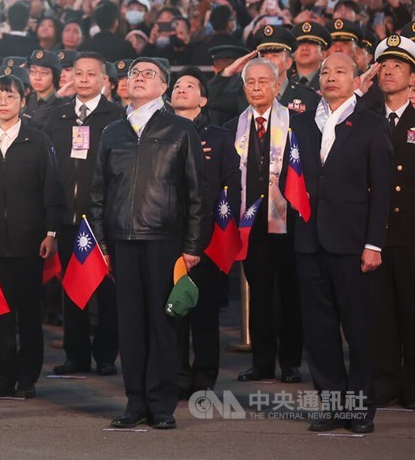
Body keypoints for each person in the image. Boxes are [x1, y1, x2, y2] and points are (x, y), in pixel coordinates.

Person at [89, 57, 208, 430]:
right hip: (121, 241)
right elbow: (98, 193)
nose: (139, 79)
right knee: (130, 326)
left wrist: (191, 246)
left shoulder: (179, 128)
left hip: (164, 241)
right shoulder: (112, 132)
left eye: (148, 75)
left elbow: (195, 193)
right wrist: (103, 244)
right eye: (133, 74)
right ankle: (135, 402)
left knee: (162, 324)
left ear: (163, 87)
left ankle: (161, 405)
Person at [285, 52, 392, 434]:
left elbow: (381, 191)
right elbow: (289, 174)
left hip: (352, 242)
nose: (331, 77)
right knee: (319, 331)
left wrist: (374, 243)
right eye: (326, 72)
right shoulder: (301, 124)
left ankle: (360, 408)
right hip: (309, 240)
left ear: (356, 80)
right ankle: (331, 405)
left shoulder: (371, 124)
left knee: (360, 329)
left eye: (340, 72)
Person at [0, 74, 65, 399]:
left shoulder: (37, 141)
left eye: (9, 97)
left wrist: (51, 231)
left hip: (29, 243)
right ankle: (3, 375)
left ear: (22, 101)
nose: (3, 103)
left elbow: (51, 188)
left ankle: (27, 377)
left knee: (28, 314)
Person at [43, 51, 123, 377]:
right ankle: (75, 355)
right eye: (79, 74)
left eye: (92, 74)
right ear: (71, 78)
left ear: (104, 79)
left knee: (106, 291)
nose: (85, 80)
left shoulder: (117, 117)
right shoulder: (56, 118)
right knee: (71, 288)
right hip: (66, 219)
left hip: (102, 220)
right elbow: (48, 171)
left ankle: (106, 355)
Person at [225, 57, 303, 384]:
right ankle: (261, 362)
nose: (256, 88)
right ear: (244, 88)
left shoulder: (297, 123)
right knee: (258, 294)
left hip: (289, 222)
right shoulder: (233, 127)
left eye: (263, 82)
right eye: (250, 82)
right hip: (249, 223)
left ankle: (290, 362)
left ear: (275, 86)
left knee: (289, 293)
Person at [170, 66, 241, 397]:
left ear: (203, 98)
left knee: (203, 312)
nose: (181, 89)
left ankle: (204, 376)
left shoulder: (219, 136)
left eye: (189, 85)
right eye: (177, 85)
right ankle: (178, 375)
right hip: (169, 234)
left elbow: (232, 186)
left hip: (209, 237)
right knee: (174, 311)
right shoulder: (160, 132)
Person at [371, 35, 415, 410]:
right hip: (377, 234)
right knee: (381, 314)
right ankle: (386, 381)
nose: (388, 70)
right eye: (384, 65)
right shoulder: (367, 118)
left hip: (412, 232)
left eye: (397, 65)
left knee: (412, 310)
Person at [22, 49, 63, 130]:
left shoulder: (64, 103)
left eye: (44, 73)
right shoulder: (25, 99)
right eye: (33, 71)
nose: (37, 78)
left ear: (55, 76)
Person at [289, 21, 331, 93]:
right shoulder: (284, 79)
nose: (304, 48)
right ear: (293, 53)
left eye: (311, 43)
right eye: (299, 44)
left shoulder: (330, 80)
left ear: (323, 54)